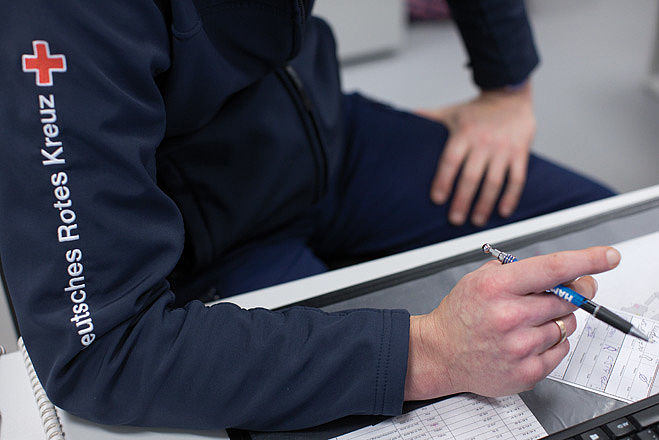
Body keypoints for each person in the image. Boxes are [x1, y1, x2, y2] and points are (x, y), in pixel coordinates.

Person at [0, 0, 617, 432]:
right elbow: (103, 349)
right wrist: (430, 352)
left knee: (605, 233)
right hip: (208, 237)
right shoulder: (54, 18)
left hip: (323, 136)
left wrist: (507, 83)